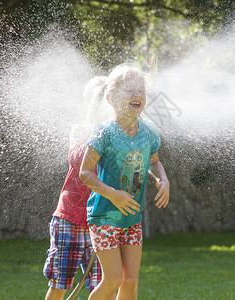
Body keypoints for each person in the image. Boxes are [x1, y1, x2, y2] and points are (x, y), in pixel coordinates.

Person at [79, 63, 170, 300]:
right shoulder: (104, 132)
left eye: (141, 90)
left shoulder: (148, 131)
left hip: (132, 218)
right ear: (111, 98)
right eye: (130, 90)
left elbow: (153, 162)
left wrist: (164, 180)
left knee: (130, 281)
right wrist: (112, 194)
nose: (137, 94)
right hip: (104, 216)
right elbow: (85, 172)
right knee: (113, 279)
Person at [43, 76, 112, 300]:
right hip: (69, 219)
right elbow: (75, 159)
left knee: (105, 285)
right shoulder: (82, 129)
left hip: (101, 220)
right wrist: (97, 135)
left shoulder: (118, 138)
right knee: (59, 284)